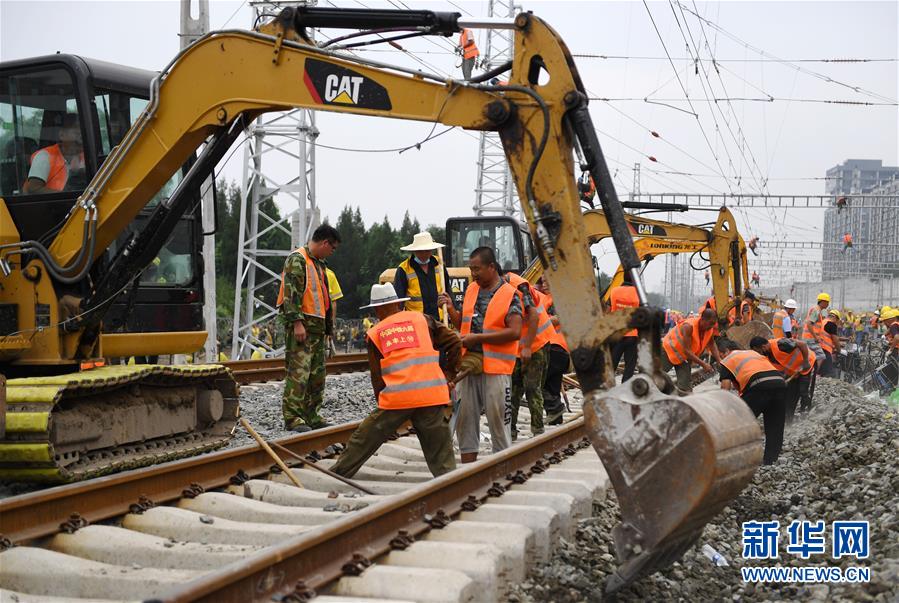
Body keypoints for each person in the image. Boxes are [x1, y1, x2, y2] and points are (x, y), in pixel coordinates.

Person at [330, 283, 460, 478]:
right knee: (440, 451)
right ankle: (448, 482)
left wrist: (382, 411)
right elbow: (455, 342)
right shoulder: (422, 320)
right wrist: (449, 375)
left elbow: (378, 377)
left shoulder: (376, 332)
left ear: (377, 308)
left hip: (398, 398)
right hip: (431, 395)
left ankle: (338, 474)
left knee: (364, 438)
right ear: (398, 304)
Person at [440, 247, 522, 463]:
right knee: (465, 418)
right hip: (469, 364)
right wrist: (451, 309)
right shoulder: (471, 290)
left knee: (498, 420)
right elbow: (465, 325)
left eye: (477, 269)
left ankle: (502, 465)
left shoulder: (509, 294)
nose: (473, 273)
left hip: (496, 367)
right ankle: (469, 469)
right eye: (471, 269)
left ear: (491, 267)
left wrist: (478, 339)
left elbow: (514, 332)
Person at [277, 224, 341, 432]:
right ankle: (293, 418)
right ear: (324, 243)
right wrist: (297, 322)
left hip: (317, 329)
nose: (333, 252)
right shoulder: (298, 259)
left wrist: (328, 331)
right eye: (333, 248)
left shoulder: (318, 264)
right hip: (303, 327)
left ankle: (312, 415)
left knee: (316, 376)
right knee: (298, 374)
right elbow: (291, 294)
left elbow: (324, 300)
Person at [503, 270, 554, 440]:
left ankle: (537, 431)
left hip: (536, 342)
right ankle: (510, 431)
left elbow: (533, 317)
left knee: (532, 387)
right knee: (514, 390)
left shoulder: (520, 286)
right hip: (517, 347)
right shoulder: (495, 290)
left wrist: (528, 347)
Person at [719, 340, 787, 465]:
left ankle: (736, 459)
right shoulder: (753, 353)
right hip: (779, 383)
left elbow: (725, 388)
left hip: (759, 386)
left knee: (739, 423)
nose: (721, 358)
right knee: (775, 425)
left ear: (726, 352)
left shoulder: (727, 360)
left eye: (720, 355)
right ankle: (770, 460)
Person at [750, 336, 815, 423]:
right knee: (790, 395)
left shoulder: (781, 344)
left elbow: (802, 344)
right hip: (794, 371)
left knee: (803, 391)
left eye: (759, 351)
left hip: (807, 364)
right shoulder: (767, 355)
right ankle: (788, 420)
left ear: (763, 347)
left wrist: (806, 361)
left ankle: (806, 414)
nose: (759, 354)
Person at [393, 232, 451, 322]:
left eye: (427, 250)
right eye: (420, 251)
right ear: (414, 251)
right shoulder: (404, 269)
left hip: (439, 320)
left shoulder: (439, 265)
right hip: (416, 322)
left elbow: (448, 291)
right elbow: (398, 301)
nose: (424, 254)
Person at [661, 308, 722, 393]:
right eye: (711, 323)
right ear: (702, 319)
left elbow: (712, 344)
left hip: (683, 358)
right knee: (655, 378)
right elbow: (687, 351)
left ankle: (682, 402)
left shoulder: (709, 329)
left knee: (685, 388)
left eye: (714, 323)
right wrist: (704, 364)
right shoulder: (689, 326)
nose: (712, 326)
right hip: (669, 351)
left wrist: (719, 360)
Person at [23, 113, 86, 194]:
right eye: (76, 131)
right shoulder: (44, 156)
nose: (81, 135)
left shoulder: (86, 157)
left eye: (83, 130)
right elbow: (34, 189)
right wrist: (66, 197)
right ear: (62, 135)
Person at [535, 277, 569, 426]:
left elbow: (558, 318)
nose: (544, 285)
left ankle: (555, 408)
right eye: (542, 282)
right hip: (558, 348)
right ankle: (555, 419)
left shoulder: (555, 299)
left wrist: (539, 322)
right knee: (552, 385)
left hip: (554, 347)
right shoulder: (547, 298)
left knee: (535, 382)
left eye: (547, 281)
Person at [609, 272, 640, 382]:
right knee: (630, 365)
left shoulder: (614, 291)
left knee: (612, 363)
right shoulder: (638, 293)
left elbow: (609, 310)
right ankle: (624, 390)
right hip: (632, 334)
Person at [801, 292, 830, 375]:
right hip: (810, 338)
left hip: (809, 337)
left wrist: (818, 336)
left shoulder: (817, 310)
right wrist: (815, 337)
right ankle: (813, 374)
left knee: (811, 356)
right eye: (827, 302)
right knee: (821, 356)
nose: (828, 304)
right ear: (822, 302)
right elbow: (809, 323)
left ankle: (809, 372)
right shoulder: (816, 310)